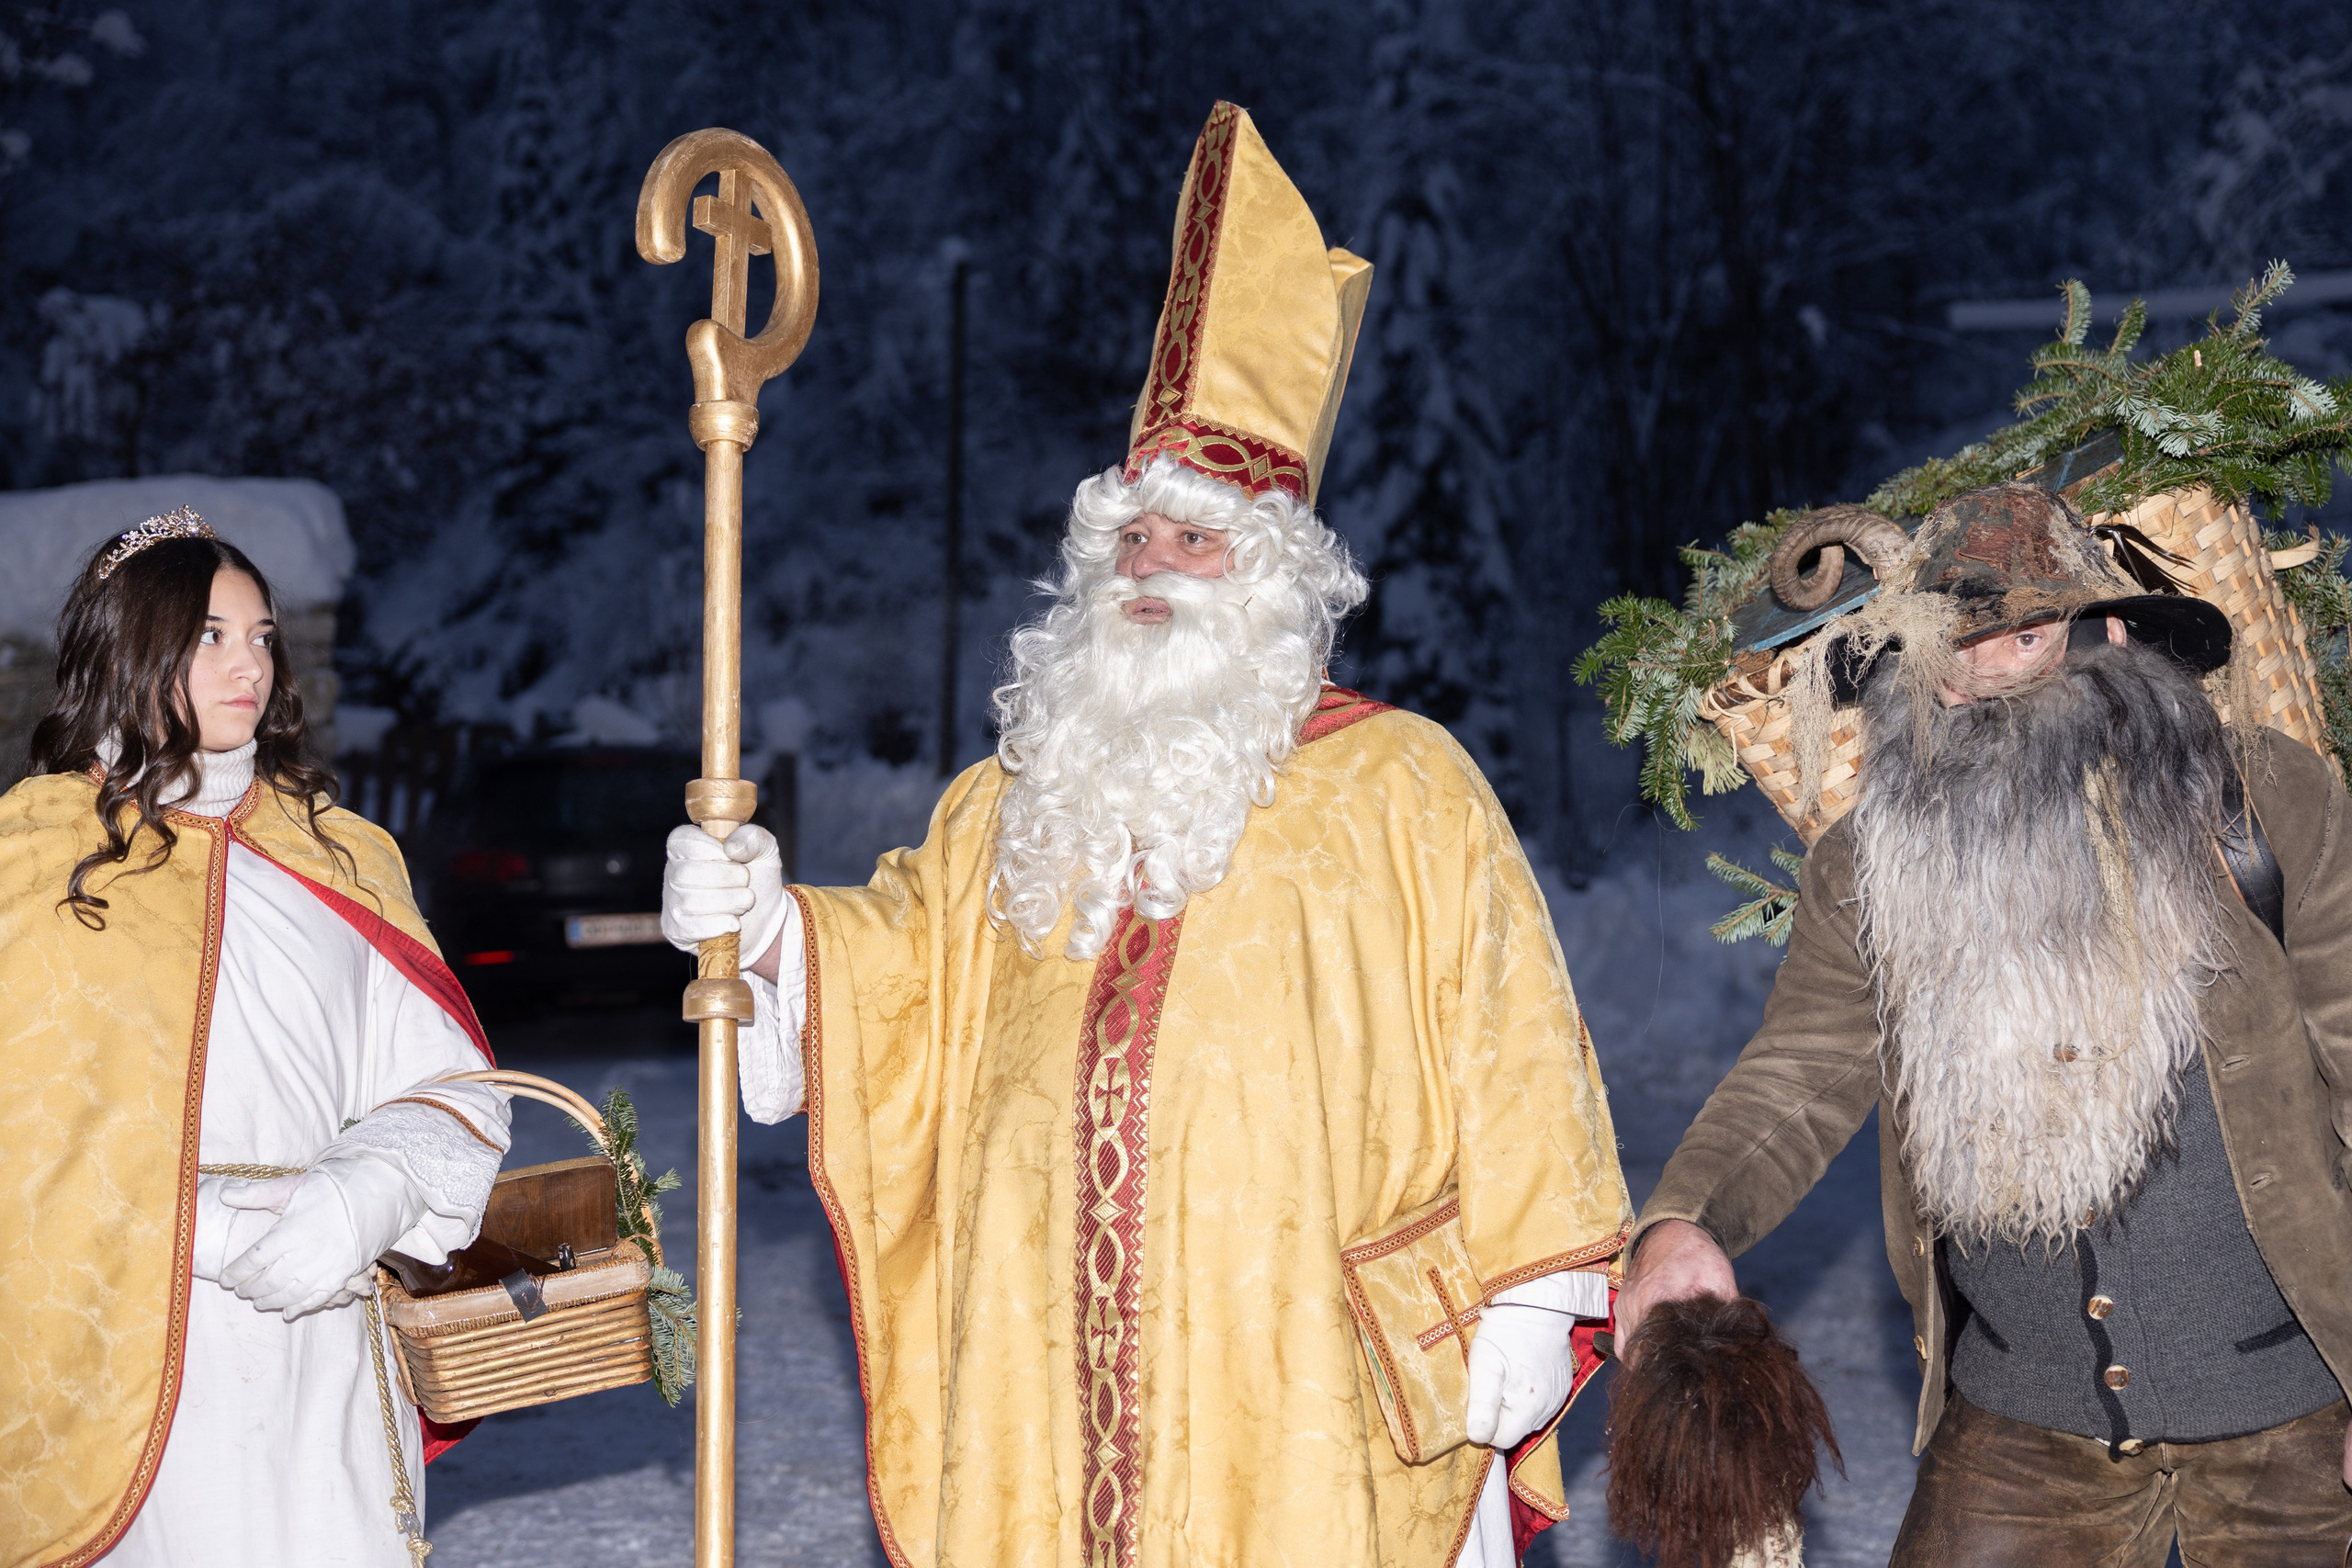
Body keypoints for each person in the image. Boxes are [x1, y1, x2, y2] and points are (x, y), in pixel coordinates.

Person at [661, 102, 1631, 1568]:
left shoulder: (1402, 785)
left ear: (1274, 577)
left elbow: (1516, 1042)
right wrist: (772, 921)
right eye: (1129, 536)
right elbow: (912, 974)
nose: (1150, 566)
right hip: (1045, 1367)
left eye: (1193, 536)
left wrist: (1536, 1288)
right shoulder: (1016, 796)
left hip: (1304, 1375)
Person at [1618, 481, 2352, 1563]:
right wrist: (1685, 1220)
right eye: (1950, 647)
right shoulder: (1869, 866)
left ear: (2110, 634)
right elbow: (1801, 1066)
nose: (1983, 675)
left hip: (2295, 1409)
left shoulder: (2257, 802)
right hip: (2024, 1420)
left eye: (2028, 633)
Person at [0, 508, 511, 1568]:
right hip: (137, 1345)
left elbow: (452, 1082)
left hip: (334, 1322)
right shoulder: (34, 858)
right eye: (210, 636)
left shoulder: (342, 854)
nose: (251, 666)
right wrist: (203, 1232)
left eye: (263, 636)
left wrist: (369, 1192)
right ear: (126, 648)